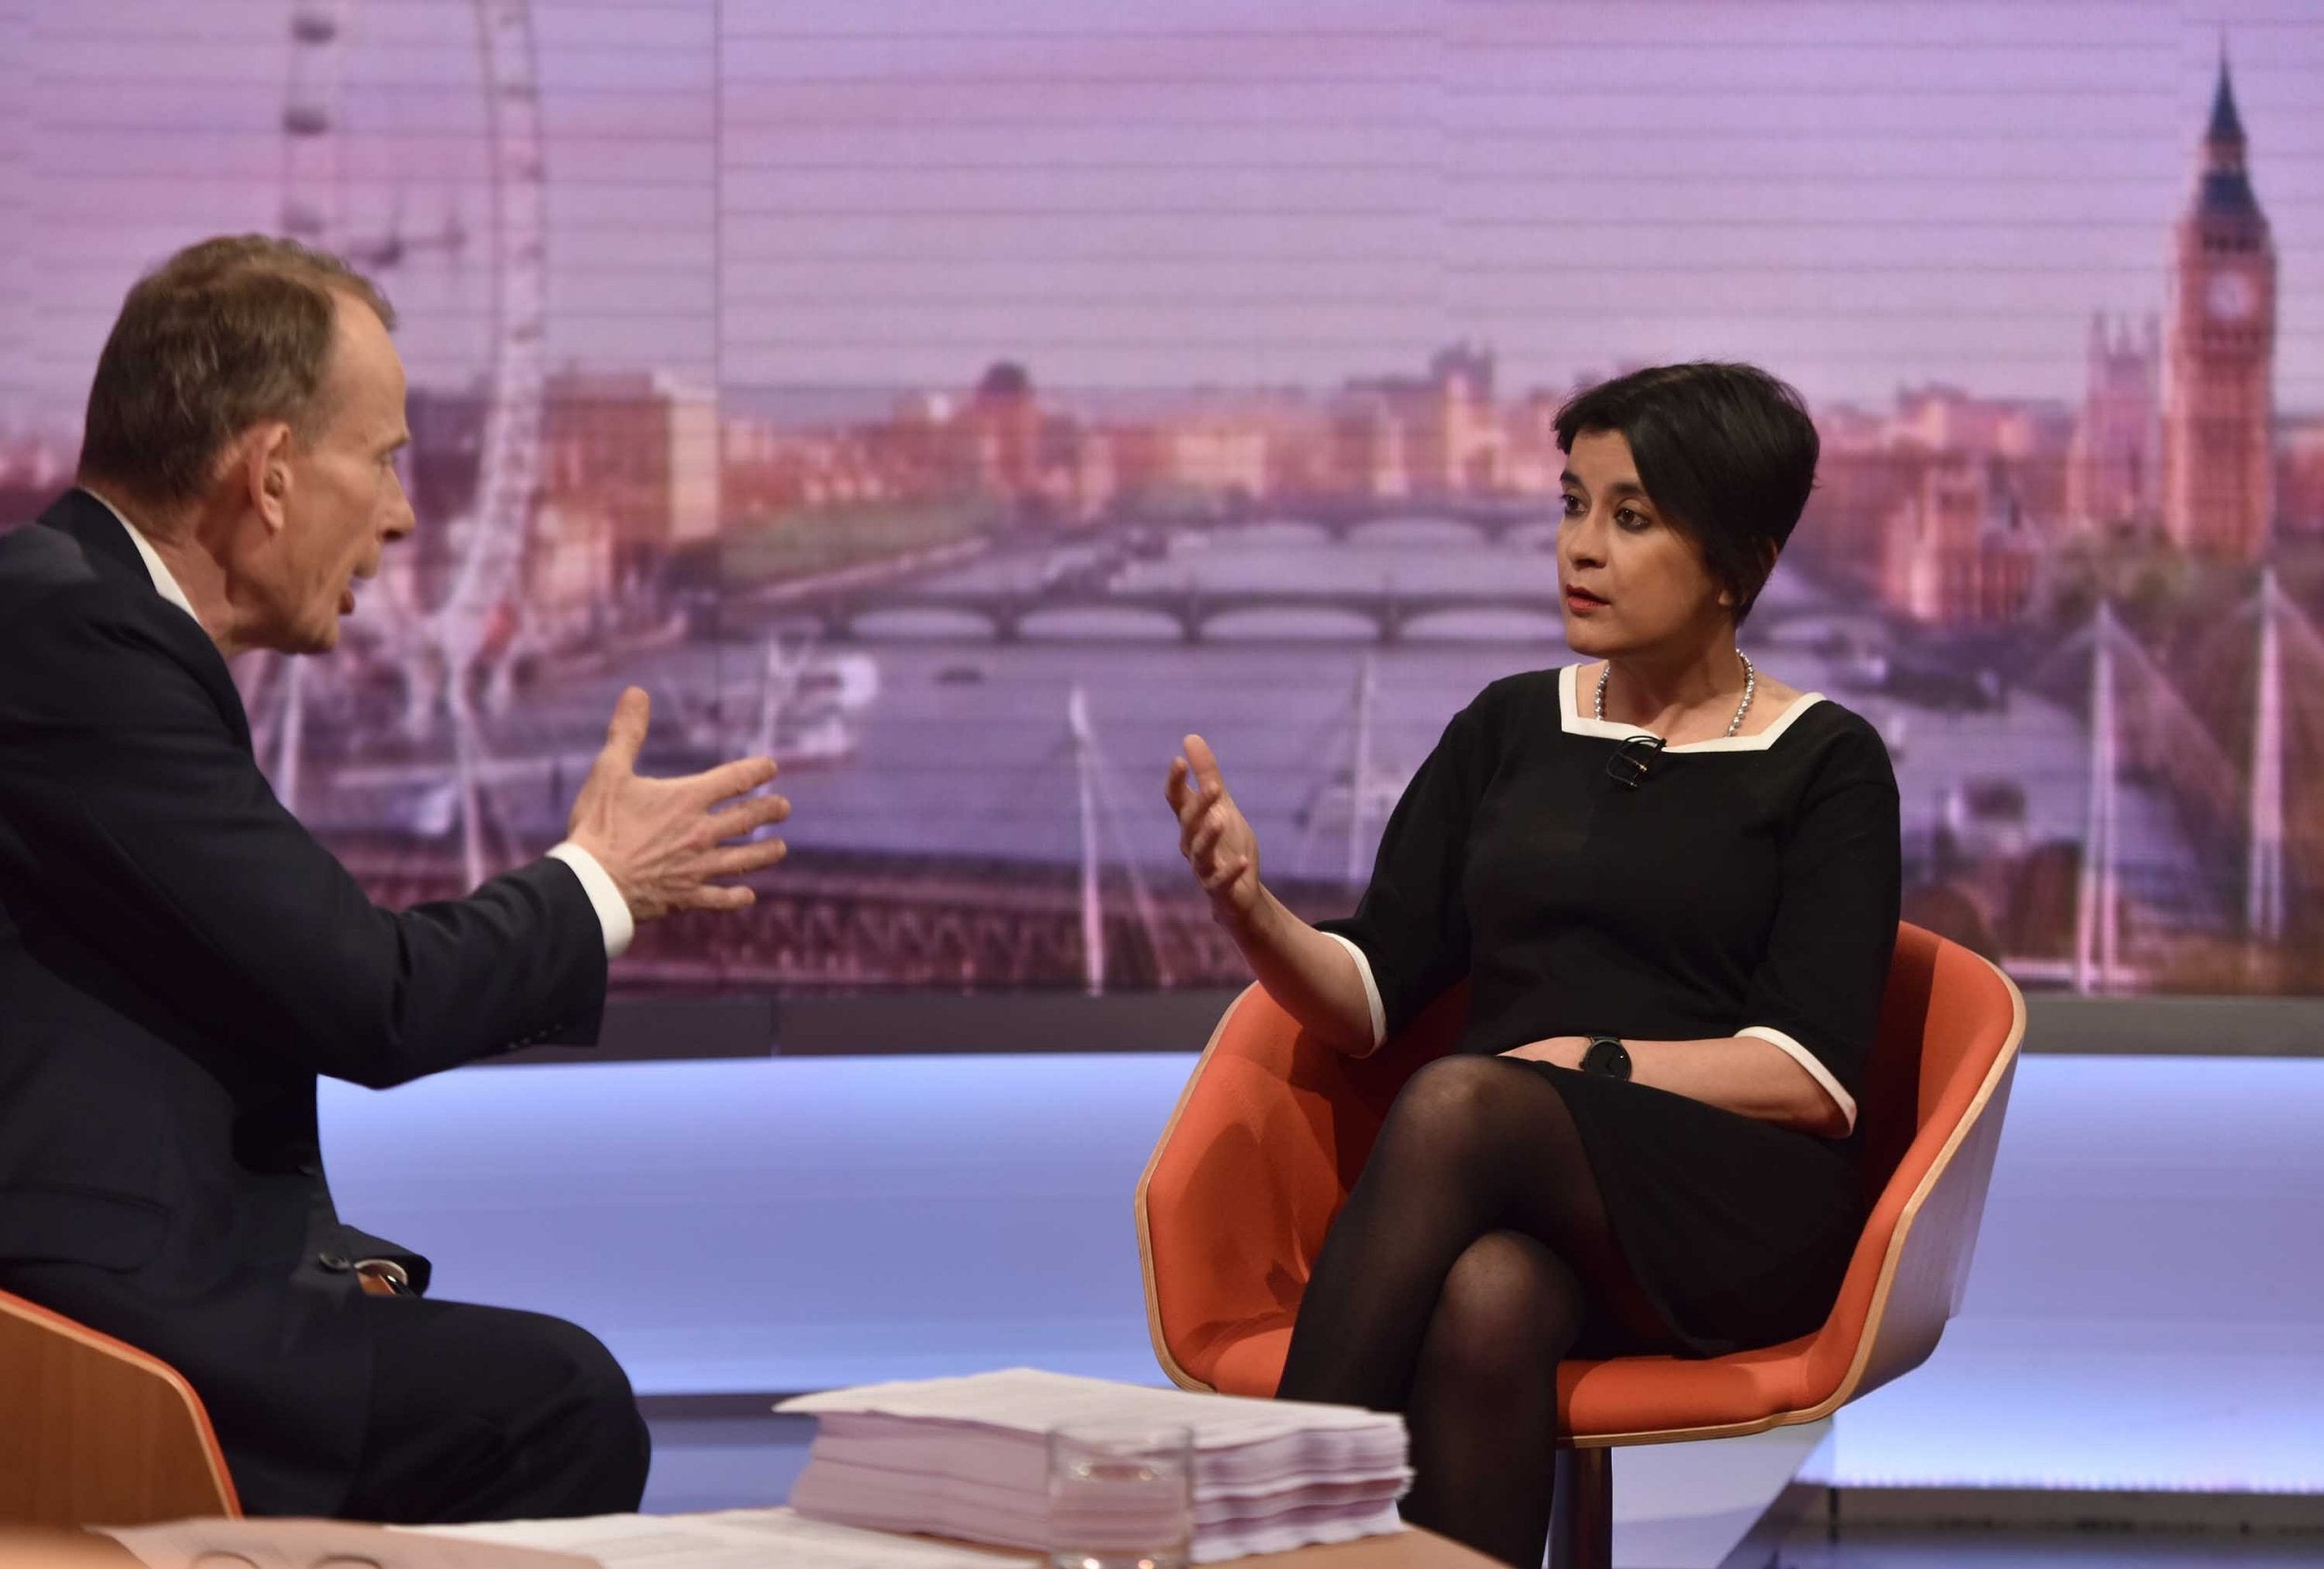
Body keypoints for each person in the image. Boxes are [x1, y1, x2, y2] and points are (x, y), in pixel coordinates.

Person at [0, 237, 791, 1523]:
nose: (403, 514)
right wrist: (602, 882)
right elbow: (372, 997)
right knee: (556, 1404)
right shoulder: (75, 635)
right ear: (266, 474)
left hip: (121, 1284)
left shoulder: (69, 617)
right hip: (83, 1331)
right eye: (381, 460)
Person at [1164, 363, 1900, 1566]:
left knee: (1462, 1097)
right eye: (1572, 504)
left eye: (1631, 517)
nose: (1581, 549)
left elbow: (1810, 1075)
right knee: (1488, 1297)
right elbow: (1369, 991)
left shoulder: (1826, 763)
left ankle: (1265, 1526)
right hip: (1522, 1207)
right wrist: (1249, 909)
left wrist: (1589, 1064)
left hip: (1730, 1208)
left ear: (1740, 567)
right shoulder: (1510, 726)